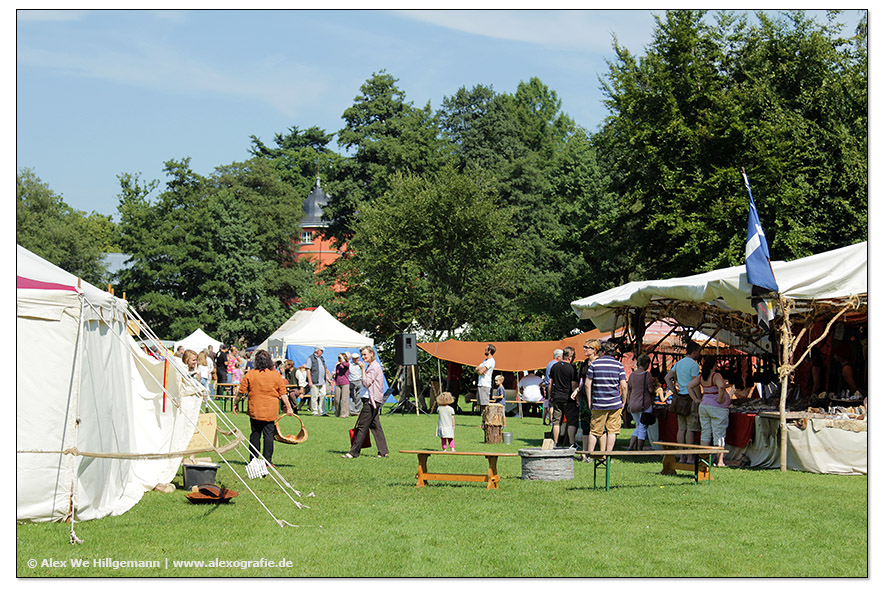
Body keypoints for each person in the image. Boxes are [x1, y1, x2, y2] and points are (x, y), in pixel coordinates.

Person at [233, 349, 293, 467]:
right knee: (268, 435)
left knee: (255, 434)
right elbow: (283, 393)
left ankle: (253, 460)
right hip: (270, 410)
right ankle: (267, 461)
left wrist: (236, 403)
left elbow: (241, 392)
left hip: (255, 409)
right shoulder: (275, 374)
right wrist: (289, 407)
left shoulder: (250, 374)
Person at [342, 346, 389, 459]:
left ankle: (353, 452)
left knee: (362, 426)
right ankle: (383, 451)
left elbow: (366, 382)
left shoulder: (374, 367)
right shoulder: (372, 366)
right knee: (375, 426)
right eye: (362, 355)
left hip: (371, 400)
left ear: (372, 354)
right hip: (371, 399)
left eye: (365, 355)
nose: (363, 357)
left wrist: (363, 370)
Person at [584, 340, 628, 453]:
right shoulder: (619, 365)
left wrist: (589, 400)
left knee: (594, 430)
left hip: (599, 402)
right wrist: (623, 401)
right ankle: (608, 455)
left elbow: (587, 384)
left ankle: (590, 454)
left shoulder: (594, 364)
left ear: (603, 352)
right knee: (612, 431)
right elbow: (624, 386)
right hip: (615, 403)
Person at [687, 355, 729, 467]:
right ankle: (720, 461)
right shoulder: (716, 376)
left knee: (705, 433)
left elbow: (689, 386)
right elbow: (721, 386)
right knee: (719, 433)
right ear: (714, 365)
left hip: (704, 405)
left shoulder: (702, 377)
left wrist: (696, 399)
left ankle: (704, 459)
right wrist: (720, 399)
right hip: (717, 408)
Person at [665, 341, 702, 462]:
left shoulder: (679, 363)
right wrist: (698, 398)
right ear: (695, 351)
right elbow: (694, 384)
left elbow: (667, 377)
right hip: (690, 398)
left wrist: (674, 391)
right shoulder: (694, 365)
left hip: (680, 398)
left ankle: (682, 456)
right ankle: (690, 457)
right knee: (690, 429)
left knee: (681, 428)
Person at [548, 345, 580, 448]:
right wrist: (577, 398)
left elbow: (550, 383)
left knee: (556, 421)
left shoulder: (554, 366)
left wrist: (549, 396)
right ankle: (571, 443)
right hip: (569, 398)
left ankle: (555, 443)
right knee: (571, 421)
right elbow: (574, 385)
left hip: (556, 397)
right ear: (570, 357)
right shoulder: (572, 368)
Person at [576, 340, 600, 460]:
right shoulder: (584, 363)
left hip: (597, 397)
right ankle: (584, 452)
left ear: (594, 349)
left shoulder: (599, 363)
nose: (584, 349)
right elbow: (582, 381)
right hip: (585, 398)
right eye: (584, 347)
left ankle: (598, 453)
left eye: (587, 347)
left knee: (596, 425)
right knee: (585, 424)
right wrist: (577, 392)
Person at [626, 354, 656, 451]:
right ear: (647, 363)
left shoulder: (632, 375)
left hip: (633, 403)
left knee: (638, 426)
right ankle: (639, 448)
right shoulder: (646, 375)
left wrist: (628, 403)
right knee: (642, 427)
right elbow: (650, 390)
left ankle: (630, 447)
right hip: (644, 404)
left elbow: (629, 389)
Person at [306, 347, 333, 416]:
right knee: (314, 397)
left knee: (323, 396)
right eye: (321, 351)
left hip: (322, 381)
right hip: (314, 381)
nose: (322, 352)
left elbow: (325, 370)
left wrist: (328, 379)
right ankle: (314, 412)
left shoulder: (322, 358)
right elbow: (308, 370)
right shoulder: (310, 358)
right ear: (317, 351)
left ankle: (323, 412)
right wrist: (310, 381)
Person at [475, 344, 496, 418]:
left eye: (486, 349)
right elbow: (476, 369)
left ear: (489, 351)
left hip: (485, 385)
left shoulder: (490, 361)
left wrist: (480, 370)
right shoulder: (485, 360)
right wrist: (479, 370)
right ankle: (484, 422)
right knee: (482, 405)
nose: (484, 350)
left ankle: (487, 422)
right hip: (481, 384)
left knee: (485, 405)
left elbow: (480, 371)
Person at [543, 349, 563, 424]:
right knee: (552, 405)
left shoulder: (549, 363)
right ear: (558, 357)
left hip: (548, 386)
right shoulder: (555, 365)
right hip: (552, 386)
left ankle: (550, 420)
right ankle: (552, 420)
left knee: (549, 403)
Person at [333, 352, 351, 418]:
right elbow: (336, 375)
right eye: (338, 358)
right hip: (338, 383)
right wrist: (334, 381)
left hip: (345, 383)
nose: (339, 359)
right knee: (337, 399)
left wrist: (343, 359)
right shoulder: (337, 366)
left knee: (344, 399)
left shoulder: (346, 364)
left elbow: (347, 366)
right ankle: (337, 413)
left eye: (340, 357)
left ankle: (344, 413)